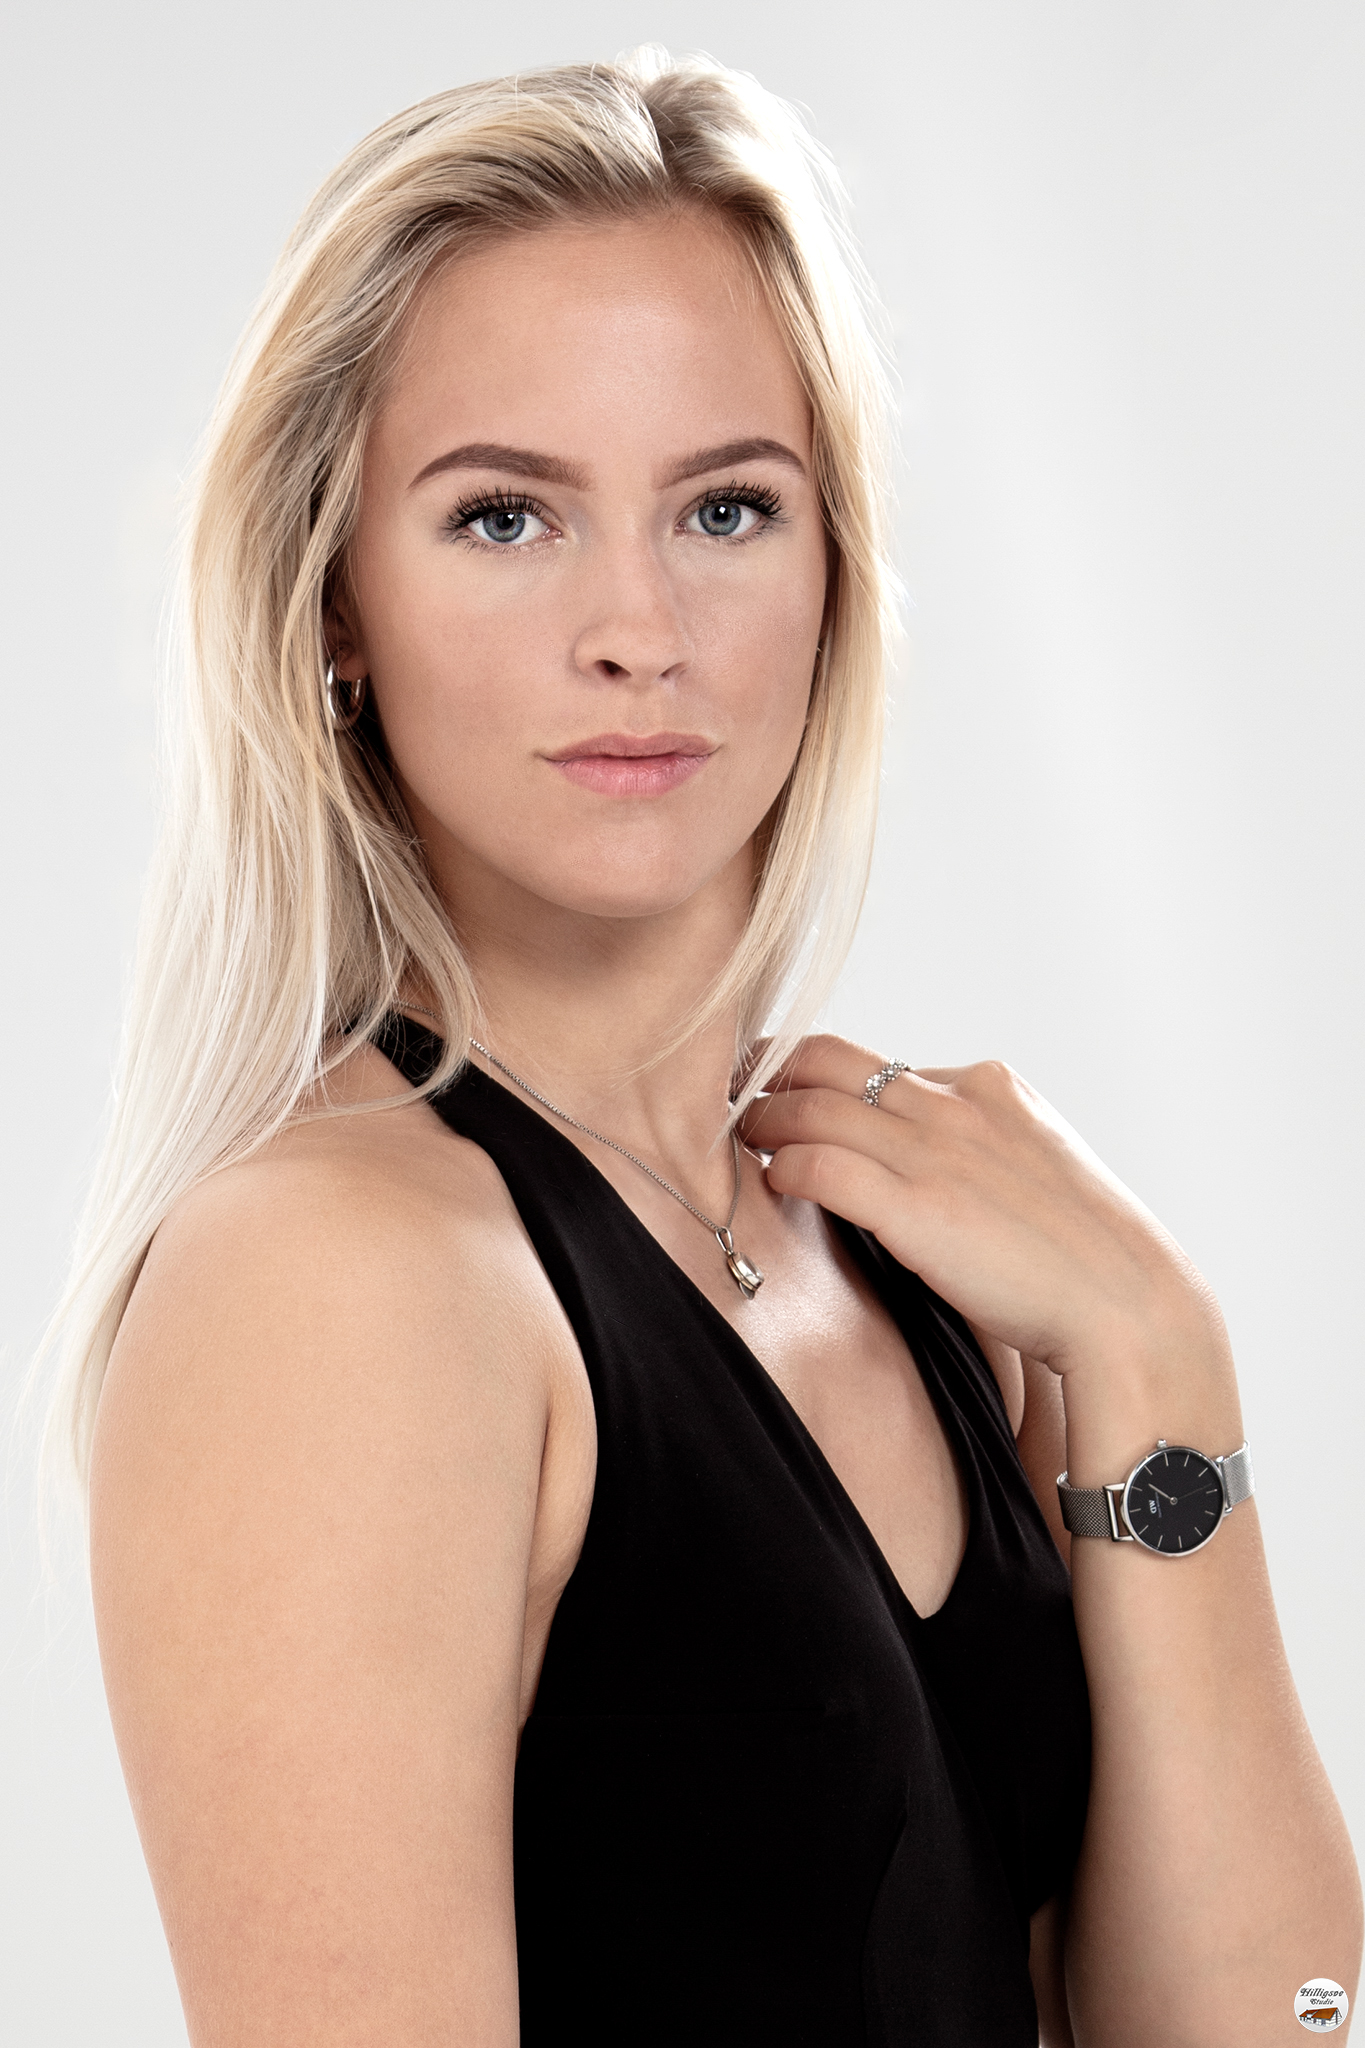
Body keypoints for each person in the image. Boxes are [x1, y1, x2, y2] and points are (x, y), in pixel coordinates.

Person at [51, 49, 1358, 2048]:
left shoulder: (921, 1258)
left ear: (834, 576)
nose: (637, 629)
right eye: (505, 518)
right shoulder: (336, 1276)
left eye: (726, 508)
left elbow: (1286, 2027)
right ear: (334, 606)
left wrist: (1156, 1356)